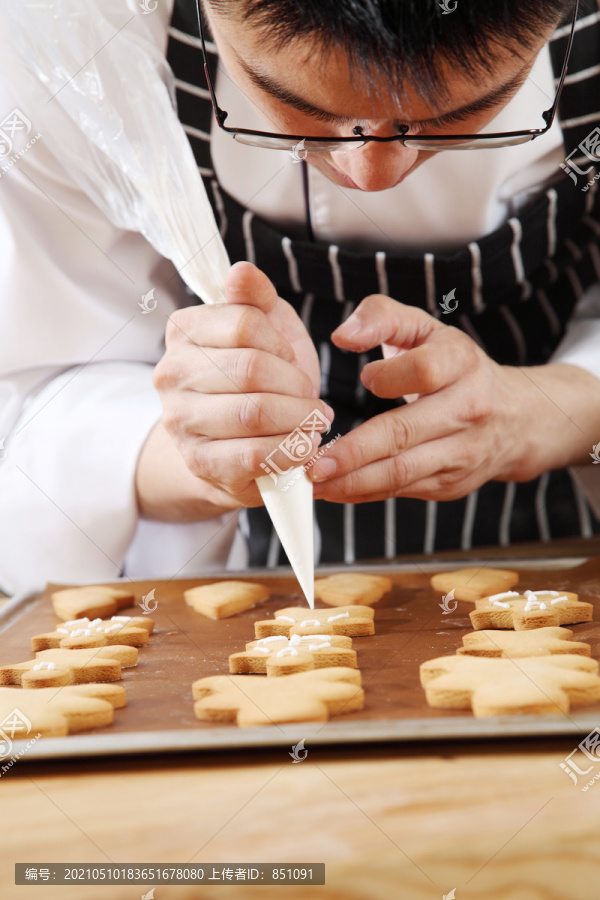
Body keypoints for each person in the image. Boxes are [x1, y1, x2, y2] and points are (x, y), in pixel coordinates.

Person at [1, 0, 600, 595]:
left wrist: (548, 411)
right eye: (297, 104)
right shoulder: (74, 38)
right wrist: (201, 452)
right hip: (238, 573)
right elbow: (31, 401)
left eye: (461, 113)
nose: (373, 176)